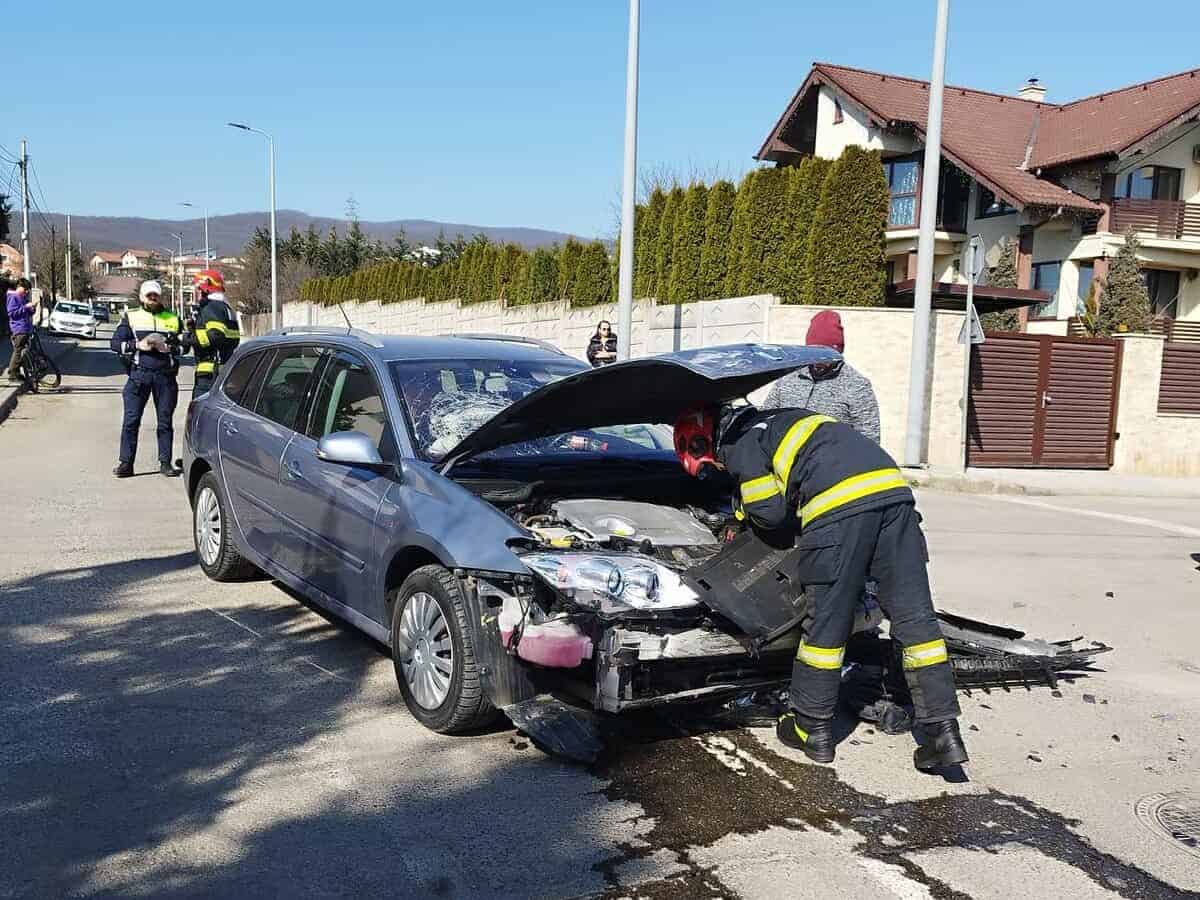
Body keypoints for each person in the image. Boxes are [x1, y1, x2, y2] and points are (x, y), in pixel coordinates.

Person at [672, 405, 967, 772]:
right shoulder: (784, 420)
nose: (718, 471)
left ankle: (810, 728)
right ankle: (943, 732)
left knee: (827, 625)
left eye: (711, 467)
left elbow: (771, 517)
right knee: (916, 620)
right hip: (895, 499)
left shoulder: (741, 443)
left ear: (702, 443)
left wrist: (742, 515)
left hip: (838, 511)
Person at [764, 310, 880, 444]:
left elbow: (870, 440)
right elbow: (766, 417)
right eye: (814, 351)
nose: (819, 359)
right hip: (784, 461)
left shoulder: (857, 386)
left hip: (831, 462)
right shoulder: (788, 378)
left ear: (838, 352)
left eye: (826, 353)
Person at [111, 280, 185, 478]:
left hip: (165, 377)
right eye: (149, 295)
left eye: (156, 295)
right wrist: (138, 345)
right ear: (142, 297)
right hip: (139, 374)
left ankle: (165, 462)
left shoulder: (173, 318)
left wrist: (171, 348)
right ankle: (126, 463)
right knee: (131, 421)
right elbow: (115, 344)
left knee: (165, 422)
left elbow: (185, 346)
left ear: (160, 296)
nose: (153, 298)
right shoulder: (131, 316)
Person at [183, 270, 240, 395]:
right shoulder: (225, 307)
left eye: (197, 289)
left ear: (205, 289)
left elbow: (215, 336)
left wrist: (188, 338)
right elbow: (229, 337)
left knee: (200, 412)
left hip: (209, 373)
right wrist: (194, 327)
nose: (195, 293)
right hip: (222, 368)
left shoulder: (211, 307)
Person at [6, 278, 36, 383]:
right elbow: (12, 313)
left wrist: (32, 309)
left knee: (22, 352)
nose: (27, 292)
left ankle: (17, 373)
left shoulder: (22, 297)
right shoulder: (13, 297)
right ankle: (12, 373)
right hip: (18, 328)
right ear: (19, 287)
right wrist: (25, 307)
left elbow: (26, 312)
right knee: (18, 351)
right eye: (26, 289)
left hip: (25, 327)